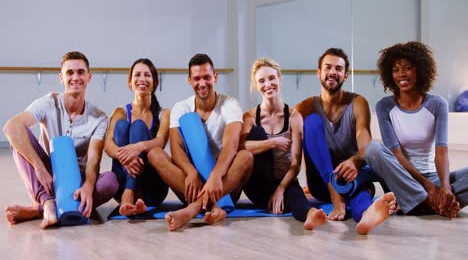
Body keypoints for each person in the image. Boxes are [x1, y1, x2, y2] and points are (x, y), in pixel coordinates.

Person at [3, 51, 118, 229]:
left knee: (111, 181)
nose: (75, 77)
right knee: (18, 135)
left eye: (80, 72)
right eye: (70, 73)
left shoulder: (99, 117)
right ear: (61, 78)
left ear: (89, 77)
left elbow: (94, 159)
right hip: (48, 175)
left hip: (77, 180)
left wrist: (88, 185)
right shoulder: (48, 103)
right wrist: (39, 168)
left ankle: (37, 210)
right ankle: (47, 203)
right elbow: (11, 127)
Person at [296, 48, 396, 235]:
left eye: (338, 68)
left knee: (360, 194)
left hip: (352, 177)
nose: (333, 72)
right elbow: (301, 150)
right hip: (322, 185)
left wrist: (356, 160)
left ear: (345, 75)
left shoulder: (358, 103)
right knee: (311, 121)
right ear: (319, 73)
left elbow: (365, 143)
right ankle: (336, 198)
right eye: (328, 67)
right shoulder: (305, 106)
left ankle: (366, 216)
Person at [147, 53, 253, 231]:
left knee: (246, 156)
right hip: (191, 185)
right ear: (189, 80)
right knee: (154, 153)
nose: (202, 83)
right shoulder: (181, 108)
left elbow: (231, 144)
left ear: (215, 77)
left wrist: (216, 176)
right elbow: (176, 148)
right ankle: (214, 207)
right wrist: (191, 172)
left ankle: (194, 208)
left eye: (206, 77)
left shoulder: (230, 104)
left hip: (224, 185)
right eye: (197, 78)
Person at [374, 41, 468, 218]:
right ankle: (431, 202)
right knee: (374, 149)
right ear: (390, 75)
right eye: (396, 70)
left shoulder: (437, 104)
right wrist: (429, 187)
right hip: (400, 181)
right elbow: (396, 155)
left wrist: (445, 187)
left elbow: (441, 152)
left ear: (420, 70)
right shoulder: (384, 107)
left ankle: (428, 203)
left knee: (447, 186)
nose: (402, 74)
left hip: (431, 177)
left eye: (408, 68)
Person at [240, 57, 327, 230]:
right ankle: (280, 196)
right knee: (257, 133)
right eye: (262, 81)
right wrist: (271, 143)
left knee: (294, 193)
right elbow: (240, 149)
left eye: (272, 78)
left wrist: (280, 189)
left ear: (279, 79)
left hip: (284, 181)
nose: (268, 84)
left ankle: (310, 215)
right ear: (256, 85)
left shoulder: (294, 117)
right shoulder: (249, 117)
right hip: (258, 184)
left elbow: (295, 164)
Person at [104, 59, 169, 216]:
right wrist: (127, 157)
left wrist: (138, 147)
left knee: (139, 126)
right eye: (137, 75)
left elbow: (160, 141)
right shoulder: (121, 112)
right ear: (130, 82)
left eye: (147, 75)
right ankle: (130, 192)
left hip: (152, 188)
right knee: (121, 126)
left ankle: (131, 193)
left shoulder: (164, 113)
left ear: (154, 82)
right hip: (122, 181)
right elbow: (108, 145)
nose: (142, 79)